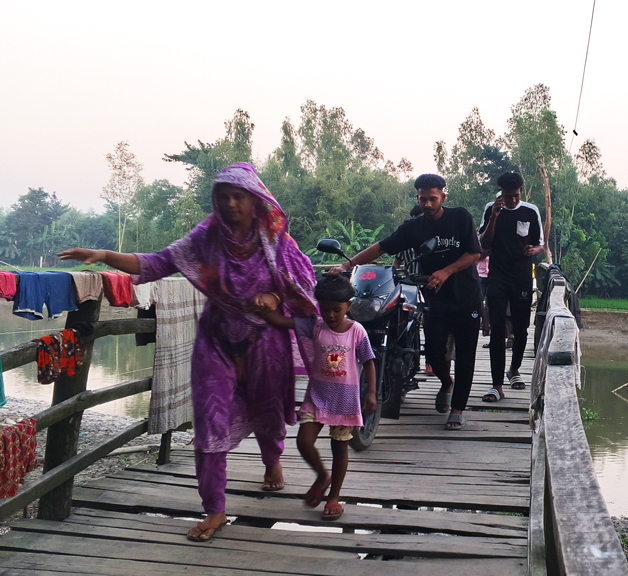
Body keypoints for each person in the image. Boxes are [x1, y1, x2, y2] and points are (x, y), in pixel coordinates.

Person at [58, 163, 317, 542]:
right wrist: (105, 254)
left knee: (268, 408)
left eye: (238, 196)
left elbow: (303, 282)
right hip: (217, 339)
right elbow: (158, 263)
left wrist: (276, 297)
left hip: (266, 339)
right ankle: (214, 509)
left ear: (254, 199)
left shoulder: (275, 238)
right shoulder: (207, 236)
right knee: (209, 421)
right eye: (223, 196)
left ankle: (271, 460)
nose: (230, 204)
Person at [336, 174, 481, 430]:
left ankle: (457, 409)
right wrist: (348, 265)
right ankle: (447, 383)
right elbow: (381, 247)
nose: (427, 204)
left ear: (443, 197)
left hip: (467, 298)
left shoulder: (460, 218)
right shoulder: (413, 228)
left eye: (432, 199)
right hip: (436, 301)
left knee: (467, 356)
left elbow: (474, 253)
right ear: (417, 198)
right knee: (435, 355)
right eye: (422, 199)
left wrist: (447, 271)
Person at [255, 274, 376, 520]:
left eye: (337, 310)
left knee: (339, 448)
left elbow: (369, 362)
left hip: (345, 400)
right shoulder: (316, 325)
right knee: (303, 442)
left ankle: (334, 496)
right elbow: (284, 321)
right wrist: (265, 313)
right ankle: (322, 474)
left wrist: (372, 393)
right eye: (325, 309)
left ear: (348, 307)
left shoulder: (357, 331)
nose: (330, 315)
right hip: (317, 396)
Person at [478, 172, 543, 402]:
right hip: (497, 277)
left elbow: (540, 245)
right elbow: (483, 245)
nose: (512, 200)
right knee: (496, 330)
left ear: (521, 193)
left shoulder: (530, 211)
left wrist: (532, 251)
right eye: (508, 196)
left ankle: (514, 370)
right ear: (501, 194)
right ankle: (496, 385)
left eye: (516, 196)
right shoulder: (491, 208)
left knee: (521, 328)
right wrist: (495, 216)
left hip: (522, 278)